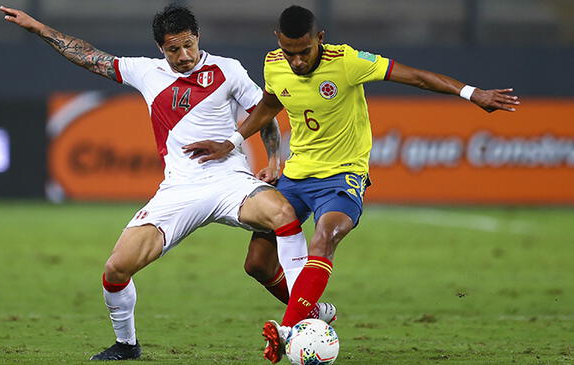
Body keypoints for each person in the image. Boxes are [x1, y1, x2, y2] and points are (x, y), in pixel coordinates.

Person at [183, 5, 521, 363]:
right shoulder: (274, 63)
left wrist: (471, 94)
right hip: (296, 176)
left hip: (342, 175)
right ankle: (314, 311)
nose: (297, 62)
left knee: (324, 238)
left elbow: (415, 77)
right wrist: (233, 142)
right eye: (289, 53)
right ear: (278, 42)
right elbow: (269, 105)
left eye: (304, 52)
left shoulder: (348, 62)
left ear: (320, 39)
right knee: (257, 264)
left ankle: (288, 329)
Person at [0, 4, 336, 361]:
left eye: (189, 45)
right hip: (179, 190)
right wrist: (38, 28)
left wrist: (272, 160)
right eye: (174, 49)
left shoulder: (228, 69)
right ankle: (126, 345)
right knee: (116, 268)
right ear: (161, 48)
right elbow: (90, 56)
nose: (184, 55)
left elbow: (264, 113)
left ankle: (301, 316)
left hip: (230, 183)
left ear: (198, 38)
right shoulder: (147, 72)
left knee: (283, 212)